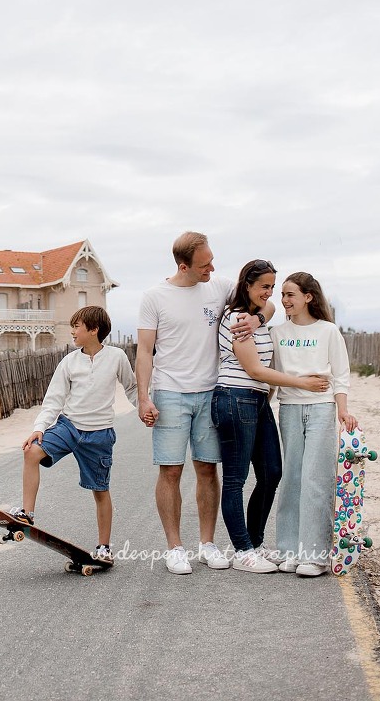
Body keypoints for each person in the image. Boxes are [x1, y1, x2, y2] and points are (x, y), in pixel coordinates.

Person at [136, 231, 271, 575]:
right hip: (170, 393)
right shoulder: (154, 297)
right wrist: (142, 397)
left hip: (212, 392)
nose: (212, 266)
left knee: (208, 469)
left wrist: (259, 318)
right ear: (184, 266)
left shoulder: (219, 285)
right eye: (205, 263)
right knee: (170, 470)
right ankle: (174, 548)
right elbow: (144, 351)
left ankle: (207, 544)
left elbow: (262, 301)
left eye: (212, 259)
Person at [212, 260, 331, 574]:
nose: (270, 293)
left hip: (257, 400)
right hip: (235, 397)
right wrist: (302, 382)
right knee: (236, 479)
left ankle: (255, 541)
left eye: (272, 287)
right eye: (264, 286)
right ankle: (242, 550)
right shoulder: (237, 319)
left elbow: (274, 309)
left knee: (272, 473)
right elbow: (254, 370)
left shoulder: (256, 317)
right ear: (247, 284)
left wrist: (260, 314)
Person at [11, 305, 137, 562]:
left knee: (100, 491)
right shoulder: (69, 362)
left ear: (94, 329)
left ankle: (103, 548)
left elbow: (132, 388)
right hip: (68, 426)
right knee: (32, 452)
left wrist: (146, 409)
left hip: (99, 434)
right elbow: (53, 400)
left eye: (77, 326)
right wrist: (39, 428)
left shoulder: (116, 357)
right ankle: (27, 512)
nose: (72, 331)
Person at [270, 271, 356, 577]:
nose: (284, 300)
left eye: (290, 294)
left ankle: (315, 555)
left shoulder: (328, 330)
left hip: (321, 409)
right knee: (292, 477)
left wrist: (342, 411)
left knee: (316, 479)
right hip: (290, 409)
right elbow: (271, 375)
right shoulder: (277, 332)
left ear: (308, 297)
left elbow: (341, 375)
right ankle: (289, 550)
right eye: (282, 294)